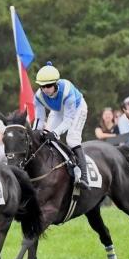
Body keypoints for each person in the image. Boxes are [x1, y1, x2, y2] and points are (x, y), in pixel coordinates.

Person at [33, 62, 90, 190]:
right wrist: (34, 133)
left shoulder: (67, 91)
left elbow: (68, 119)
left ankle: (84, 178)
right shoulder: (38, 97)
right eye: (42, 86)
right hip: (58, 110)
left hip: (78, 108)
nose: (45, 89)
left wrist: (55, 133)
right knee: (43, 136)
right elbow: (39, 119)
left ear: (56, 84)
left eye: (48, 86)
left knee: (72, 139)